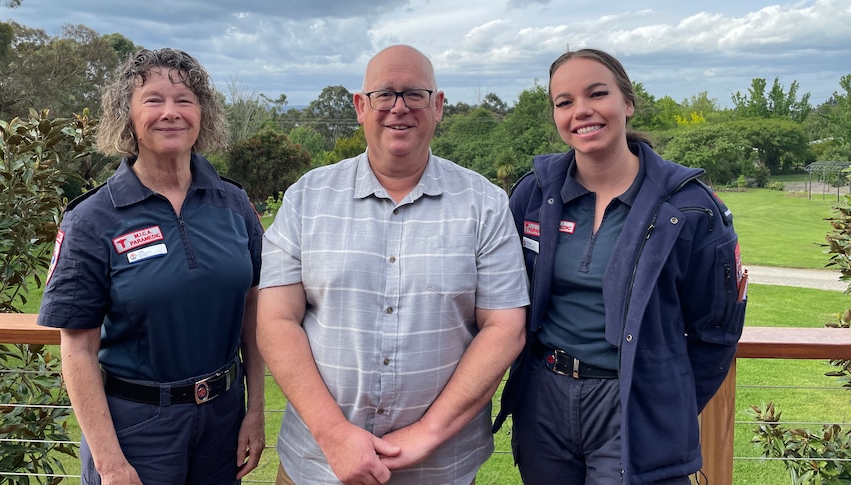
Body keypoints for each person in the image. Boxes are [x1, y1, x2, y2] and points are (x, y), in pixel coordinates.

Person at [256, 44, 530, 485]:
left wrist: (427, 433)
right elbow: (276, 320)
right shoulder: (306, 198)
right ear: (360, 107)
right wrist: (333, 434)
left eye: (415, 94)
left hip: (440, 467)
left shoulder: (484, 204)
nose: (398, 108)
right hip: (317, 465)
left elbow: (504, 328)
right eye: (384, 94)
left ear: (438, 106)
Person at [493, 48, 748, 484]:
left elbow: (716, 332)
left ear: (627, 103)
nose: (582, 111)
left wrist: (667, 401)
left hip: (634, 403)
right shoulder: (533, 195)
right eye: (564, 102)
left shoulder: (690, 208)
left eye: (597, 93)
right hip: (545, 403)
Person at [37, 48, 265, 484]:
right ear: (128, 114)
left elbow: (255, 311)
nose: (171, 113)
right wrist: (110, 463)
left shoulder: (233, 203)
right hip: (136, 429)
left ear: (203, 113)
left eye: (184, 100)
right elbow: (78, 349)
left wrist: (255, 411)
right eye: (153, 100)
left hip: (223, 421)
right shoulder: (91, 219)